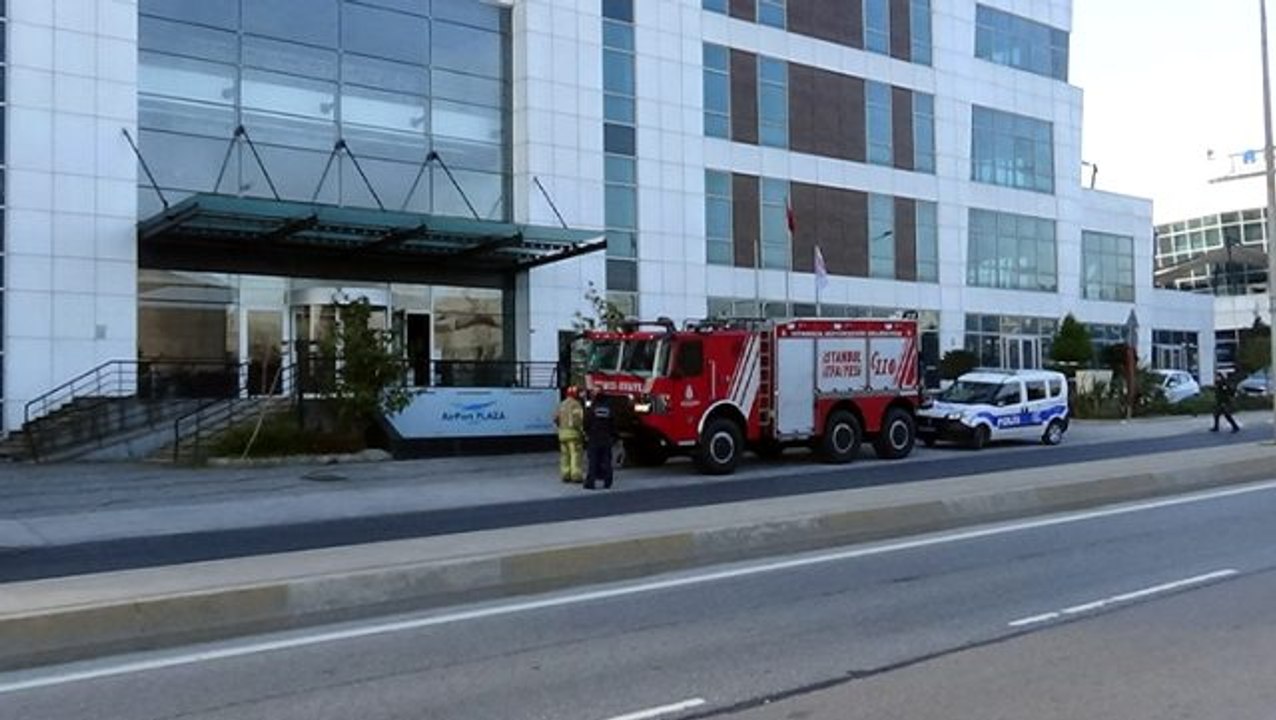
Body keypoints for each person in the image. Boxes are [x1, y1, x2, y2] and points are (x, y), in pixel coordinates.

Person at [584, 392, 616, 490]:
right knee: (607, 461)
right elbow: (613, 425)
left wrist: (587, 433)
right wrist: (613, 436)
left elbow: (586, 423)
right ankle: (608, 482)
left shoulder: (592, 409)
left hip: (594, 438)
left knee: (593, 461)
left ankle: (591, 483)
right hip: (606, 439)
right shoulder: (609, 410)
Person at [553, 386, 585, 483]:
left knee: (565, 455)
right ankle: (576, 475)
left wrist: (561, 427)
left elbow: (555, 418)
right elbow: (578, 420)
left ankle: (565, 475)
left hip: (562, 434)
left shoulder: (561, 404)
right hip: (573, 434)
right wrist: (582, 431)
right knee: (575, 455)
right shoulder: (576, 405)